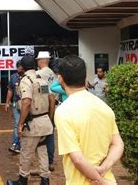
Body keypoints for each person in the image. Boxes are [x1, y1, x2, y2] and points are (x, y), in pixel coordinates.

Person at [55, 55, 124, 185]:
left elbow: (78, 159)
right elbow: (118, 144)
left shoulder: (63, 111)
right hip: (109, 179)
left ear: (60, 79)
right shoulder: (104, 107)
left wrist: (101, 182)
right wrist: (103, 169)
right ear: (85, 78)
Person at [7, 55, 53, 185]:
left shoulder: (26, 80)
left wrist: (20, 124)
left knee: (26, 152)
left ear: (22, 67)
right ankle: (45, 179)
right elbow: (51, 99)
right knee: (42, 150)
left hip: (33, 123)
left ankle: (23, 180)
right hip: (44, 121)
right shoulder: (42, 79)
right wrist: (50, 119)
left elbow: (26, 102)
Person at [35, 51, 57, 171]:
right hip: (54, 105)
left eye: (38, 60)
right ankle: (50, 161)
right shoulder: (53, 74)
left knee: (41, 136)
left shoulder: (38, 74)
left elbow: (46, 95)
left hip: (44, 106)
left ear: (42, 61)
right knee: (50, 134)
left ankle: (44, 163)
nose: (37, 62)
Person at [4, 61, 24, 154]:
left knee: (26, 124)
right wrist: (7, 102)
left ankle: (25, 144)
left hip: (26, 103)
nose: (19, 68)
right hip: (16, 103)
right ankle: (16, 144)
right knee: (17, 124)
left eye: (21, 66)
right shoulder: (13, 77)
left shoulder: (28, 77)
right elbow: (10, 90)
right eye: (18, 66)